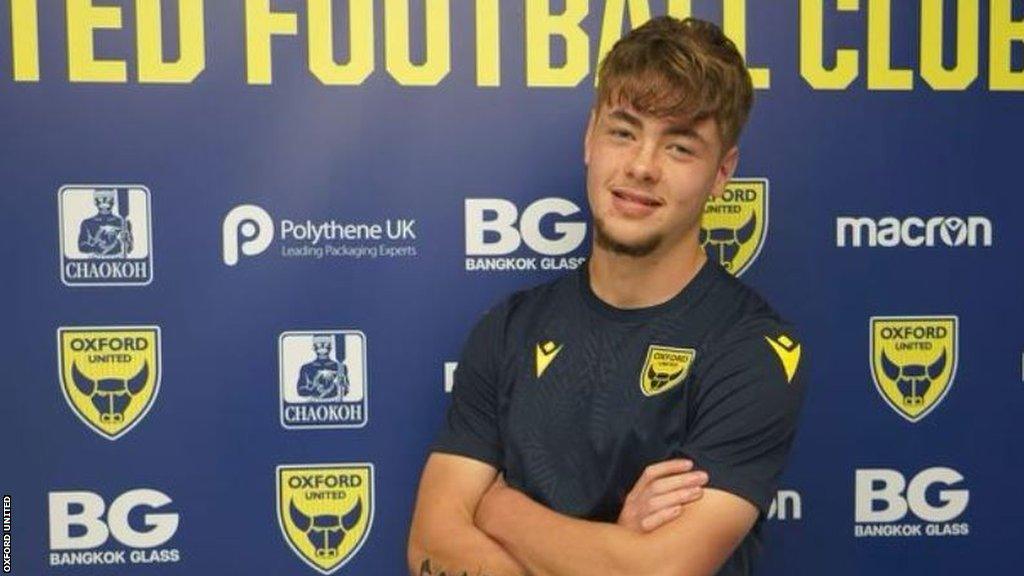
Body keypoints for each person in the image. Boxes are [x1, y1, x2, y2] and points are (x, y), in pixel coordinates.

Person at [408, 16, 805, 576]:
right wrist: (610, 551)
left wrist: (501, 509)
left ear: (722, 173)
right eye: (624, 131)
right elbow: (431, 546)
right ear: (590, 136)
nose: (641, 166)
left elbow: (659, 571)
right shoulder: (507, 330)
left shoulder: (752, 352)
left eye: (680, 146)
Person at [77, 188, 133, 257]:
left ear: (113, 201)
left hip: (118, 261)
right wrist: (94, 247)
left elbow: (129, 249)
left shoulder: (123, 223)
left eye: (107, 198)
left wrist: (127, 240)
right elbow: (81, 246)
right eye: (101, 198)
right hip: (95, 262)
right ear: (95, 201)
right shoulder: (87, 223)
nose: (104, 201)